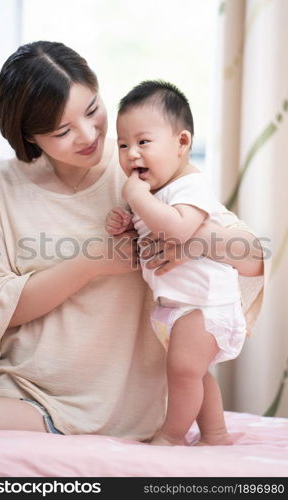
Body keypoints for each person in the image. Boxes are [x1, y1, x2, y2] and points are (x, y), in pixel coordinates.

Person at [0, 41, 264, 441]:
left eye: (92, 110)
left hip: (123, 401)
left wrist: (192, 240)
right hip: (23, 388)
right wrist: (94, 262)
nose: (89, 134)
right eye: (62, 130)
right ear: (30, 136)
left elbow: (251, 259)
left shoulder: (142, 164)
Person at [105, 80, 259, 446]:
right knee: (196, 374)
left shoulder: (190, 185)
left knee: (183, 370)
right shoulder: (155, 192)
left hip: (205, 304)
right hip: (181, 303)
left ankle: (171, 436)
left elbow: (178, 229)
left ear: (182, 143)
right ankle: (216, 434)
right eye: (123, 144)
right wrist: (127, 219)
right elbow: (151, 224)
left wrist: (136, 198)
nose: (131, 154)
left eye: (143, 142)